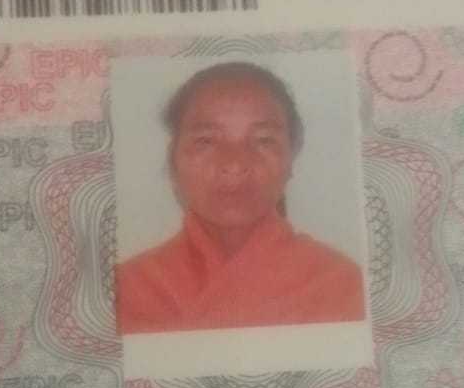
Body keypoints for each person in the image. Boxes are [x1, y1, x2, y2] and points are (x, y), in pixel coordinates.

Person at [115, 61, 365, 333]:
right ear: (174, 160)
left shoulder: (341, 287)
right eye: (206, 140)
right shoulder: (126, 291)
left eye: (263, 140)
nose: (234, 164)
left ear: (291, 160)